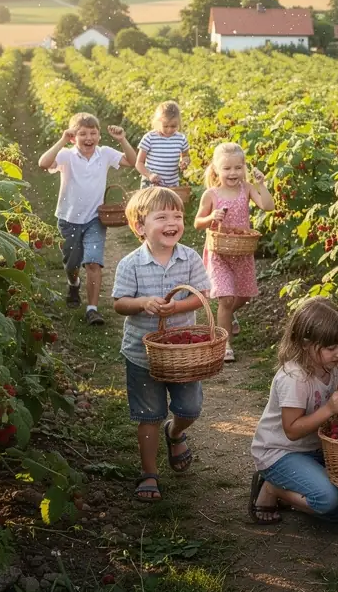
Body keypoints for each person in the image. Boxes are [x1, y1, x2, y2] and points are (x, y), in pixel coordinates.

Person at [112, 187, 212, 503]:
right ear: (141, 227)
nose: (173, 222)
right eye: (162, 217)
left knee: (190, 407)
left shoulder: (190, 257)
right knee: (148, 413)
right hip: (142, 354)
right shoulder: (131, 264)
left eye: (178, 216)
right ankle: (149, 472)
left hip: (184, 354)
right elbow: (119, 303)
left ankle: (176, 432)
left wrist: (177, 308)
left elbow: (201, 295)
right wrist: (143, 303)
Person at [249, 297, 338, 525]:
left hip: (314, 449)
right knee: (328, 498)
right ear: (304, 343)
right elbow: (291, 430)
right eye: (331, 347)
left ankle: (294, 493)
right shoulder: (294, 378)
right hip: (279, 453)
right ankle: (272, 488)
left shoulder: (335, 367)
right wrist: (329, 408)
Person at [38, 111, 137, 326]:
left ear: (99, 136)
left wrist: (122, 139)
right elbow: (43, 163)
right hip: (69, 218)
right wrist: (63, 140)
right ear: (74, 137)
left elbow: (133, 161)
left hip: (95, 219)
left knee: (93, 262)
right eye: (82, 134)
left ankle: (92, 309)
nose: (88, 138)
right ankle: (73, 284)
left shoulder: (105, 153)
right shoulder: (66, 155)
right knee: (71, 263)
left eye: (93, 133)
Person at [193, 141, 275, 362]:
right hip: (219, 253)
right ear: (217, 169)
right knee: (226, 298)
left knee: (244, 296)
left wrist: (262, 184)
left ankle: (228, 315)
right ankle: (225, 343)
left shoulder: (246, 189)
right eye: (227, 168)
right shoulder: (211, 195)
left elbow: (268, 206)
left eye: (238, 168)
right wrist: (211, 217)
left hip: (242, 252)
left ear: (244, 168)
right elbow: (197, 222)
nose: (233, 173)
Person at [135, 100, 191, 188]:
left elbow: (186, 156)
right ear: (158, 122)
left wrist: (185, 162)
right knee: (150, 202)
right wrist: (150, 175)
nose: (169, 130)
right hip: (151, 185)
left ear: (179, 123)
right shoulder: (149, 138)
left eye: (173, 126)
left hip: (171, 185)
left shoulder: (181, 139)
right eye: (165, 126)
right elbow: (139, 163)